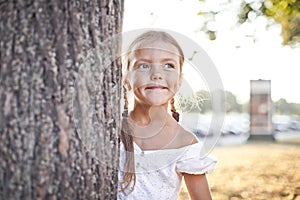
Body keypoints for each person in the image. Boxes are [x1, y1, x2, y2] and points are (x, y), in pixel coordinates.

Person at [118, 30, 216, 200]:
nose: (157, 74)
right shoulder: (110, 131)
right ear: (126, 78)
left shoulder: (185, 142)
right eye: (143, 65)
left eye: (168, 65)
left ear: (179, 80)